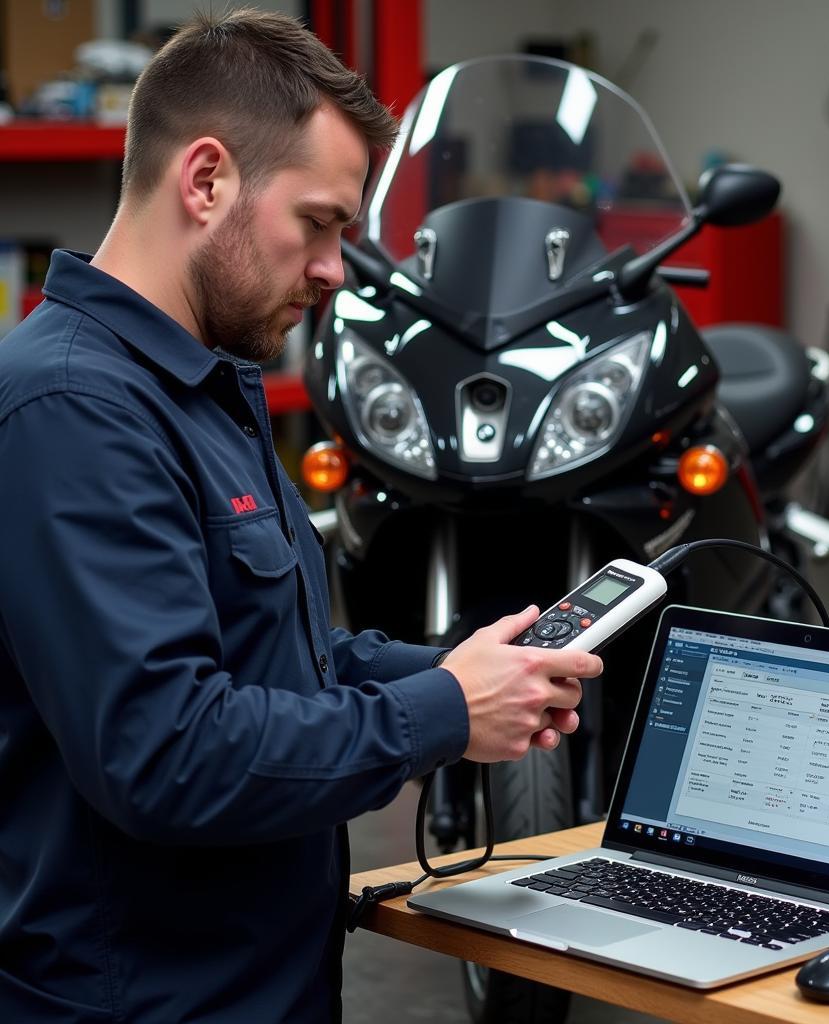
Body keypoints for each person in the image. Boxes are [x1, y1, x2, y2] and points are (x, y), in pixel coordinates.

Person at [0, 10, 602, 1023]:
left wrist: (464, 670)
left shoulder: (199, 387)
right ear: (205, 180)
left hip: (257, 986)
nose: (333, 270)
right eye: (317, 223)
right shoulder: (72, 410)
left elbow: (270, 663)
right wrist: (443, 714)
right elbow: (168, 753)